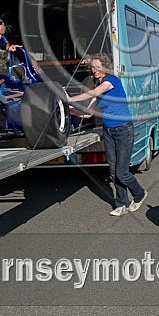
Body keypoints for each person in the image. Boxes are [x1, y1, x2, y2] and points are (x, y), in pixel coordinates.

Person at [66, 54, 148, 216]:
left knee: (122, 172)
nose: (94, 70)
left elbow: (94, 92)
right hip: (108, 131)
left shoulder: (112, 81)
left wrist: (70, 98)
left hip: (123, 130)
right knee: (113, 171)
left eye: (97, 67)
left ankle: (139, 194)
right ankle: (122, 204)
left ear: (105, 67)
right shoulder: (98, 85)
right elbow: (88, 114)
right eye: (92, 67)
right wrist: (69, 109)